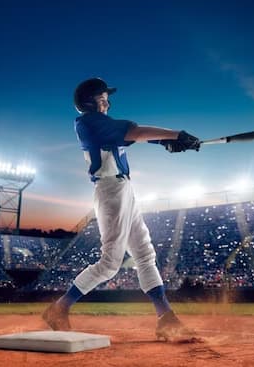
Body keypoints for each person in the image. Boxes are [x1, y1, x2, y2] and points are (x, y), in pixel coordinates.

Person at [42, 78, 201, 341]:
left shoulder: (102, 124)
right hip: (110, 192)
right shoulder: (87, 122)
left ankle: (165, 318)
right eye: (102, 98)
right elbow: (134, 132)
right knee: (110, 263)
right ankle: (60, 308)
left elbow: (134, 136)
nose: (107, 101)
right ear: (88, 102)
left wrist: (165, 141)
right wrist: (176, 135)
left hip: (124, 191)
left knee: (144, 253)